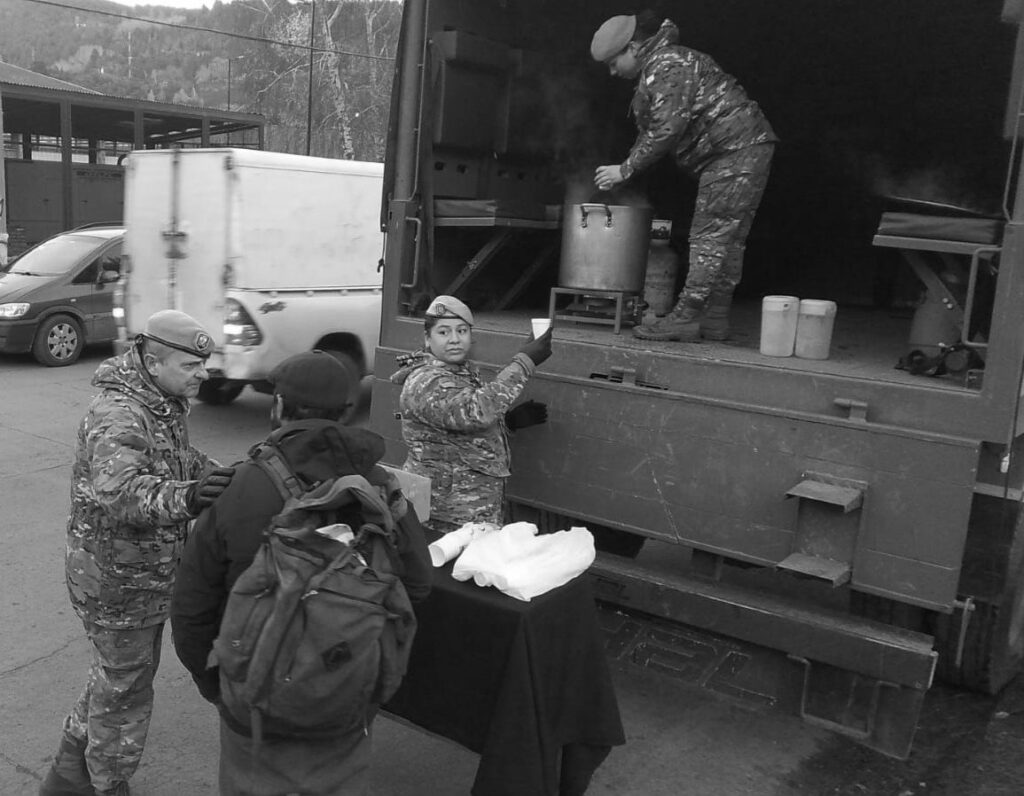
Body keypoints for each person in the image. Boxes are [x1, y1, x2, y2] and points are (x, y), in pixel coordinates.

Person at [170, 349, 432, 796]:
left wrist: (216, 686)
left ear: (278, 408)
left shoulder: (241, 487)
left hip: (254, 703)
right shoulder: (379, 485)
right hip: (344, 698)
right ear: (345, 412)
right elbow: (418, 584)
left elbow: (192, 609)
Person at [41, 309, 235, 796]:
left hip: (140, 576)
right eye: (191, 367)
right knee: (125, 689)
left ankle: (67, 770)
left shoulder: (158, 401)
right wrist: (190, 497)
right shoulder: (119, 413)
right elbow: (122, 493)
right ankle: (107, 784)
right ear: (153, 359)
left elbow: (177, 460)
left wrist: (226, 474)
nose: (202, 375)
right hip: (116, 580)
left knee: (116, 674)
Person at [592, 10, 777, 342]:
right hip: (744, 147)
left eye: (612, 62)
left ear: (633, 48)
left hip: (731, 150)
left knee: (709, 238)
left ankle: (685, 318)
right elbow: (659, 126)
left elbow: (667, 127)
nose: (611, 71)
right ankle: (714, 319)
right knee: (727, 240)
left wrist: (625, 169)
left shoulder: (666, 65)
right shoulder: (665, 64)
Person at [391, 295, 552, 533]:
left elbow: (455, 431)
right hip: (447, 514)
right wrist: (524, 362)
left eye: (462, 331)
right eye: (444, 332)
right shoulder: (427, 382)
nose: (455, 339)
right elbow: (473, 412)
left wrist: (506, 423)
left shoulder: (457, 373)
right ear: (427, 339)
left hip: (465, 511)